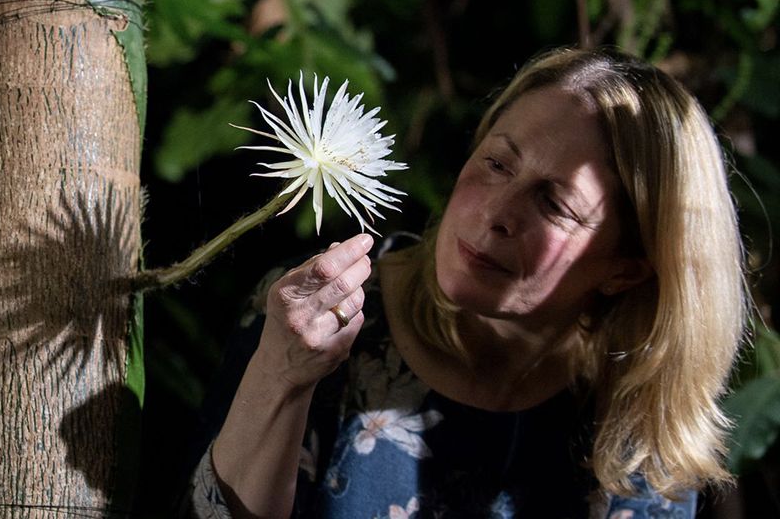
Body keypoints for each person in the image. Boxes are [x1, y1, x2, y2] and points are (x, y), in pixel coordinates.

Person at [185, 47, 749, 518]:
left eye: (554, 202)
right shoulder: (313, 320)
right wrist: (281, 376)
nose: (496, 212)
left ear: (627, 267)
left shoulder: (639, 437)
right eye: (499, 163)